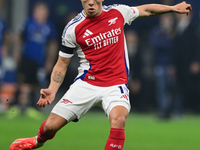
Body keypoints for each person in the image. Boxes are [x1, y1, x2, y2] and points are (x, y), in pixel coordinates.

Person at [10, 1, 192, 150]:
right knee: (50, 126)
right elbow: (62, 63)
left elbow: (146, 9)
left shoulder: (118, 12)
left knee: (119, 120)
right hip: (86, 84)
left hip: (115, 85)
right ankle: (37, 141)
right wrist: (52, 88)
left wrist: (173, 8)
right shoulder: (73, 28)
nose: (90, 2)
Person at [12, 1, 58, 117]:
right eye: (39, 10)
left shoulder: (49, 27)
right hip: (26, 57)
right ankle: (19, 106)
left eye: (43, 11)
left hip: (39, 60)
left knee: (36, 84)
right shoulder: (28, 23)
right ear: (34, 12)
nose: (41, 13)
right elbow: (18, 36)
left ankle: (30, 107)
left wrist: (49, 61)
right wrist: (16, 52)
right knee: (23, 82)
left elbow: (53, 45)